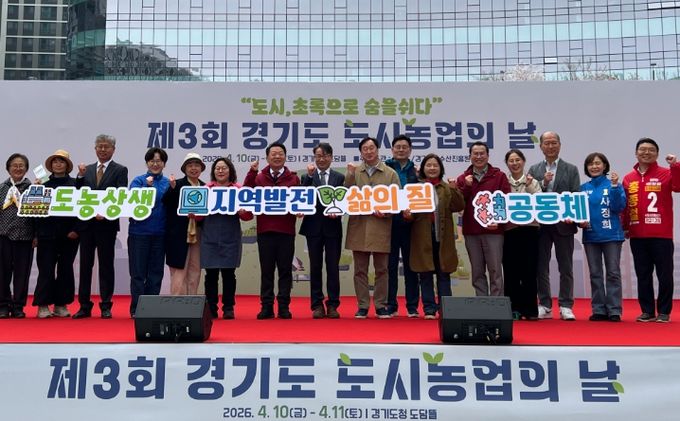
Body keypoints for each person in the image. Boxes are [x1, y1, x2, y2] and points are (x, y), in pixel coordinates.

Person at [623, 138, 680, 323]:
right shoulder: (628, 178)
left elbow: (678, 187)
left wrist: (675, 166)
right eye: (642, 149)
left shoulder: (666, 173)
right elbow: (626, 206)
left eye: (651, 150)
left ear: (657, 154)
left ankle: (664, 311)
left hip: (661, 234)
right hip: (637, 235)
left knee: (665, 275)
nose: (646, 152)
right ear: (636, 153)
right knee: (643, 275)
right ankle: (647, 311)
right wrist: (625, 227)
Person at [73, 135, 129, 319]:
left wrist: (105, 212)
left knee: (106, 265)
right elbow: (78, 194)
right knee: (85, 266)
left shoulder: (120, 170)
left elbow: (121, 195)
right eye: (99, 146)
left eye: (106, 147)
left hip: (107, 225)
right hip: (87, 225)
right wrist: (80, 176)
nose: (103, 150)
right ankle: (84, 305)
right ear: (95, 149)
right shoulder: (87, 170)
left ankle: (106, 305)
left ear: (113, 149)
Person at [345, 136, 400, 319]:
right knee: (360, 270)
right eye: (365, 149)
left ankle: (380, 305)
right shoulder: (354, 172)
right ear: (361, 152)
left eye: (371, 148)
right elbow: (346, 196)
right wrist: (350, 175)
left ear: (377, 150)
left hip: (380, 226)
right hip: (359, 226)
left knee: (382, 269)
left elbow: (397, 200)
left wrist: (386, 212)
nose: (368, 152)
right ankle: (362, 305)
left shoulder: (390, 173)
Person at [528, 131, 580, 321]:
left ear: (559, 145)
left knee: (566, 267)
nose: (550, 146)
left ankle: (566, 305)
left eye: (553, 143)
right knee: (541, 267)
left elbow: (575, 194)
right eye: (547, 143)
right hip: (541, 225)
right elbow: (530, 194)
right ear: (541, 146)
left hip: (563, 224)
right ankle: (544, 304)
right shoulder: (534, 169)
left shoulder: (571, 169)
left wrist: (572, 216)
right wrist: (543, 183)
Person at [244, 143, 300, 319]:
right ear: (267, 157)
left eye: (280, 153)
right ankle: (266, 306)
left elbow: (300, 201)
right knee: (266, 270)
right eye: (273, 154)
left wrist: (300, 210)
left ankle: (284, 306)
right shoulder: (259, 177)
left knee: (285, 270)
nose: (277, 156)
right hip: (265, 230)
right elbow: (246, 193)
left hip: (286, 231)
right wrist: (252, 172)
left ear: (285, 157)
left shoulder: (293, 179)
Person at [405, 153, 464, 319]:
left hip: (443, 237)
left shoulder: (446, 188)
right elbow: (411, 213)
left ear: (441, 168)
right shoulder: (416, 188)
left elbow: (459, 206)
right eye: (428, 165)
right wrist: (408, 215)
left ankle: (446, 309)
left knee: (443, 273)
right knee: (425, 273)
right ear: (423, 168)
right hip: (422, 236)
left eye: (435, 165)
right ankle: (429, 308)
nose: (432, 168)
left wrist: (454, 189)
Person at [200, 157, 252, 319]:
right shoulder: (206, 189)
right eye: (217, 168)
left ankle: (228, 307)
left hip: (230, 237)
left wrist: (243, 212)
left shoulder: (238, 189)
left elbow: (249, 216)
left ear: (230, 171)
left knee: (229, 274)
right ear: (213, 171)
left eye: (224, 168)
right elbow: (198, 217)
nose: (220, 171)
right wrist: (194, 213)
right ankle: (211, 308)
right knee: (211, 275)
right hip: (209, 237)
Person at [457, 141, 511, 297]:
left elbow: (505, 201)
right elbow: (458, 203)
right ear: (470, 156)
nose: (479, 157)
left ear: (488, 156)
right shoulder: (463, 178)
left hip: (494, 231)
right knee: (477, 270)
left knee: (495, 270)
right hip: (472, 231)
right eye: (475, 154)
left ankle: (497, 303)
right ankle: (482, 302)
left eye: (482, 153)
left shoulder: (499, 176)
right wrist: (466, 186)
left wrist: (498, 221)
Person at [299, 143, 345, 319]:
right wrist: (310, 176)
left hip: (333, 227)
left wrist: (338, 211)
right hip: (313, 227)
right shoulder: (307, 176)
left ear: (331, 157)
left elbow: (344, 200)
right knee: (315, 267)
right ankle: (317, 304)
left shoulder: (339, 177)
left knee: (333, 267)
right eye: (318, 156)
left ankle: (333, 304)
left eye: (325, 156)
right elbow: (302, 196)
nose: (322, 159)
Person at [32, 150, 78, 318]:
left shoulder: (75, 184)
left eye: (62, 161)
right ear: (50, 165)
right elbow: (35, 211)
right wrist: (35, 234)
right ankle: (43, 305)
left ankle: (61, 304)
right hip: (46, 234)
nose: (58, 164)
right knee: (46, 269)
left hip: (69, 235)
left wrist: (76, 230)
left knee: (66, 270)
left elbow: (82, 209)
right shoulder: (42, 183)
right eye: (55, 161)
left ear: (67, 165)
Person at [580, 152, 626, 322]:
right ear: (587, 168)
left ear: (605, 166)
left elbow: (619, 207)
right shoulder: (583, 188)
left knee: (613, 273)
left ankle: (614, 310)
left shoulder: (614, 185)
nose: (594, 166)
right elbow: (578, 212)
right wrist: (579, 222)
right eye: (591, 164)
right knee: (595, 274)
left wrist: (614, 187)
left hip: (611, 235)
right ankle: (598, 309)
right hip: (591, 235)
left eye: (598, 163)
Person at [127, 147, 170, 317]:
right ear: (147, 163)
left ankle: (151, 309)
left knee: (156, 273)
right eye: (152, 161)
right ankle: (137, 309)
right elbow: (132, 201)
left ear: (164, 163)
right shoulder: (138, 181)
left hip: (160, 233)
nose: (155, 164)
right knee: (138, 273)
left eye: (159, 161)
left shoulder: (168, 183)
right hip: (139, 233)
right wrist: (147, 186)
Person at [502, 149, 541, 321]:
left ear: (523, 161)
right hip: (510, 231)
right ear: (507, 164)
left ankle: (530, 310)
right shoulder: (503, 182)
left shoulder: (533, 181)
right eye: (511, 161)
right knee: (511, 271)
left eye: (517, 160)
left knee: (529, 270)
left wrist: (530, 185)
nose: (515, 163)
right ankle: (513, 309)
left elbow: (540, 202)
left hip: (530, 230)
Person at [384, 135, 419, 317]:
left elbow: (423, 196)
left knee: (411, 266)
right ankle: (391, 305)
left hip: (410, 222)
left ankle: (412, 306)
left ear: (410, 150)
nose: (401, 150)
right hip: (389, 222)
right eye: (397, 147)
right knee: (389, 266)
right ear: (392, 150)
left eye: (404, 147)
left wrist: (412, 212)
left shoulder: (417, 171)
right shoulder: (385, 168)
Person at [163, 152, 206, 296]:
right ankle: (177, 303)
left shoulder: (205, 187)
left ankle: (192, 302)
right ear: (184, 168)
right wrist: (172, 188)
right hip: (178, 234)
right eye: (190, 165)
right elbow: (166, 202)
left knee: (195, 268)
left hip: (198, 233)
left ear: (201, 168)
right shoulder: (177, 184)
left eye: (197, 165)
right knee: (178, 269)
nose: (194, 168)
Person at [0, 153, 35, 319]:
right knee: (2, 273)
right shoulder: (2, 188)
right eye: (14, 165)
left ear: (26, 169)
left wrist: (36, 235)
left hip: (25, 237)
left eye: (21, 165)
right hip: (3, 236)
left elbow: (38, 216)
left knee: (22, 274)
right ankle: (3, 305)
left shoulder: (33, 189)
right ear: (8, 168)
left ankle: (18, 306)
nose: (18, 168)